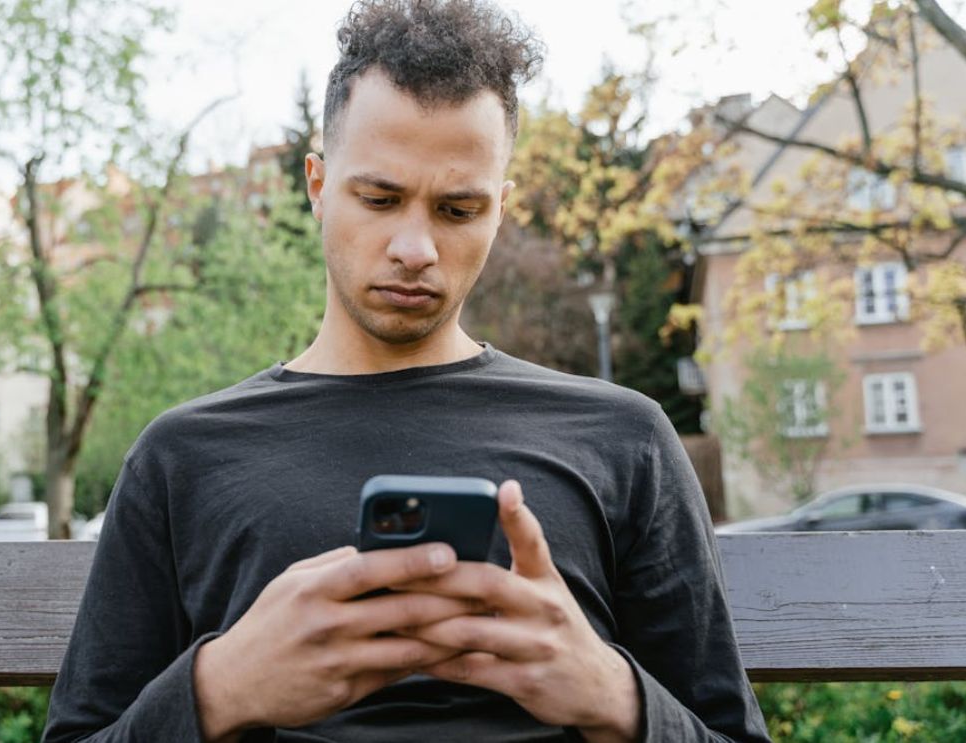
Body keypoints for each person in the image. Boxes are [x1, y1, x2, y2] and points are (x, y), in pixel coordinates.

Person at [41, 1, 770, 741]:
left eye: (457, 209)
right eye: (380, 198)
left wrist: (617, 698)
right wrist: (218, 689)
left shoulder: (624, 439)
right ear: (318, 184)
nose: (414, 245)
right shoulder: (183, 456)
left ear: (500, 209)